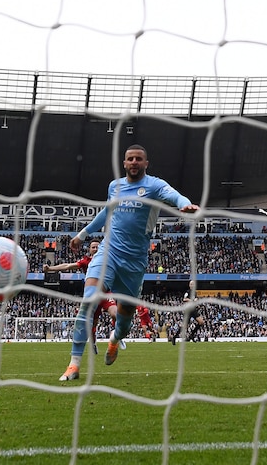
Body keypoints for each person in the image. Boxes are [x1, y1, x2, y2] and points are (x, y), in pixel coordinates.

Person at [59, 144, 198, 381]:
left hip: (134, 261)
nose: (134, 162)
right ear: (124, 163)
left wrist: (185, 204)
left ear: (146, 163)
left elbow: (174, 195)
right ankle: (73, 364)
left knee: (124, 320)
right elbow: (106, 213)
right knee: (88, 301)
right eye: (130, 159)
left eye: (138, 159)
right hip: (108, 250)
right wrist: (82, 235)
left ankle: (115, 339)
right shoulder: (115, 186)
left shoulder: (154, 185)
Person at [45, 240, 124, 354]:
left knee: (115, 314)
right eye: (93, 247)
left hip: (106, 293)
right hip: (92, 295)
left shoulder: (107, 260)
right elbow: (68, 266)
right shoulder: (86, 261)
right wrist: (50, 269)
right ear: (90, 250)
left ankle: (116, 336)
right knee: (92, 325)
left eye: (97, 247)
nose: (95, 249)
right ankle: (93, 344)